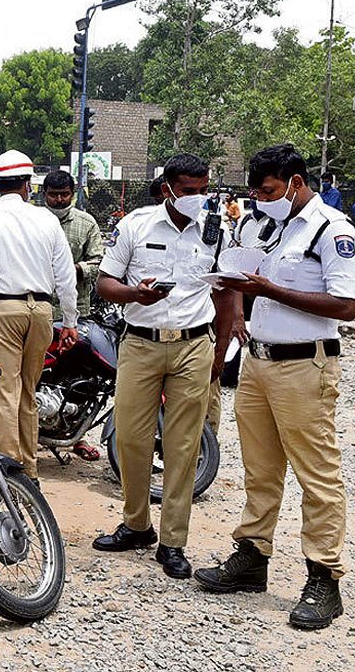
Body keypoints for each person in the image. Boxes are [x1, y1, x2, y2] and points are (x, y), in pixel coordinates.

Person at [195, 143, 355, 630]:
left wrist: (268, 291)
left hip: (305, 366)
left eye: (266, 190)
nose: (258, 198)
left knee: (318, 475)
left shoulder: (332, 230)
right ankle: (252, 556)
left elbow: (346, 305)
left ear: (295, 182)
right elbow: (248, 280)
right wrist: (239, 302)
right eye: (254, 190)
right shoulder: (264, 226)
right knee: (260, 469)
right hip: (258, 364)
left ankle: (324, 578)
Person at [93, 153, 233, 580]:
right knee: (131, 439)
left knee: (183, 446)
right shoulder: (135, 225)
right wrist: (134, 294)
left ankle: (173, 541)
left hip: (194, 344)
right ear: (168, 188)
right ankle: (137, 525)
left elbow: (226, 291)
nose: (198, 198)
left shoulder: (216, 231)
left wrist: (221, 348)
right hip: (141, 344)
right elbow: (104, 283)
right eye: (190, 191)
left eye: (203, 190)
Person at [0, 151, 79, 485]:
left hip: (2, 309)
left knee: (3, 395)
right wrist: (70, 321)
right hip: (42, 312)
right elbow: (65, 277)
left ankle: (3, 479)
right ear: (28, 185)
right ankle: (29, 474)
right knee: (29, 394)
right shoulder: (47, 220)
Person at [41, 169, 104, 461]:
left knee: (80, 379)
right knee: (38, 375)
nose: (59, 200)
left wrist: (74, 270)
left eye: (64, 194)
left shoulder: (86, 223)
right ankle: (37, 429)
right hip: (40, 310)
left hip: (76, 312)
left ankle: (77, 437)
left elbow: (99, 261)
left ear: (73, 194)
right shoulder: (35, 222)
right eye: (53, 195)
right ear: (44, 195)